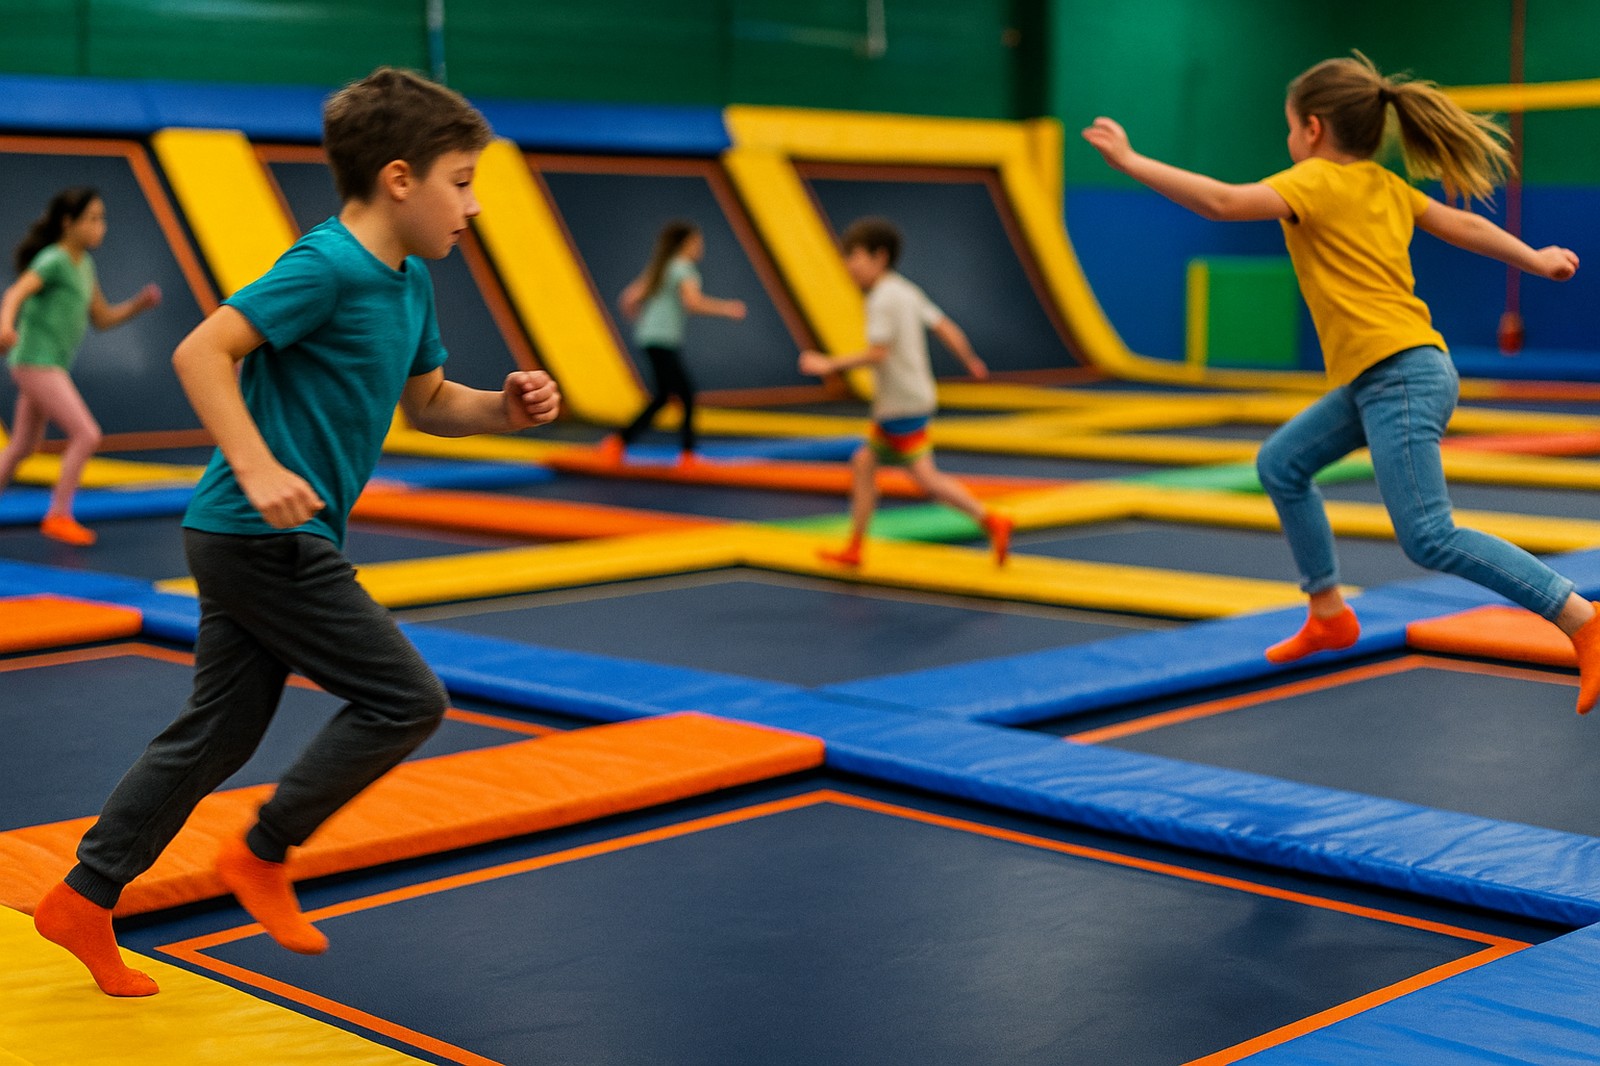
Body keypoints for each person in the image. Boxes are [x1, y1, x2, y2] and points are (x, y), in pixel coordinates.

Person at [30, 66, 561, 997]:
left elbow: (432, 403)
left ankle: (83, 896)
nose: (473, 207)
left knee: (216, 734)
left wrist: (504, 410)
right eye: (463, 180)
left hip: (256, 536)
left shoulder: (408, 288)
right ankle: (265, 854)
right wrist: (258, 463)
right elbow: (204, 351)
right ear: (400, 178)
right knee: (407, 700)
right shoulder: (327, 265)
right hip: (258, 531)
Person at [1083, 52, 1600, 711]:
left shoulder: (1316, 183)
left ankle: (1581, 617)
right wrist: (1535, 258)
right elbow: (1462, 224)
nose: (1289, 140)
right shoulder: (1386, 188)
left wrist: (1130, 162)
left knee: (1429, 535)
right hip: (1386, 373)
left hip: (1400, 374)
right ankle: (1328, 608)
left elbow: (1219, 201)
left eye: (1290, 128)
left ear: (1315, 128)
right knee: (1282, 464)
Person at [798, 217, 1011, 567]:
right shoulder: (906, 290)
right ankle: (855, 546)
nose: (849, 266)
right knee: (865, 463)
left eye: (855, 257)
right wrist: (970, 359)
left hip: (901, 406)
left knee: (925, 478)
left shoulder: (881, 299)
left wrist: (828, 364)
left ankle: (990, 520)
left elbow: (878, 353)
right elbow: (945, 327)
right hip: (912, 399)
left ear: (879, 257)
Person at [0, 188, 161, 545]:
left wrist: (137, 305)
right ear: (67, 223)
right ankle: (58, 514)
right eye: (92, 219)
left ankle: (56, 513)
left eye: (101, 219)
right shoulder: (53, 260)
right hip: (35, 362)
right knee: (87, 433)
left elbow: (102, 319)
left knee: (22, 446)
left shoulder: (85, 265)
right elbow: (15, 293)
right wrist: (6, 325)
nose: (99, 227)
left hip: (46, 364)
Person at [600, 220, 745, 466]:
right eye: (697, 242)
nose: (700, 248)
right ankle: (685, 454)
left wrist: (640, 318)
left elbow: (628, 298)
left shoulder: (663, 266)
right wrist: (727, 308)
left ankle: (619, 442)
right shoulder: (684, 268)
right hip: (663, 339)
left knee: (666, 396)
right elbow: (693, 303)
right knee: (684, 395)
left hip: (650, 337)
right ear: (686, 244)